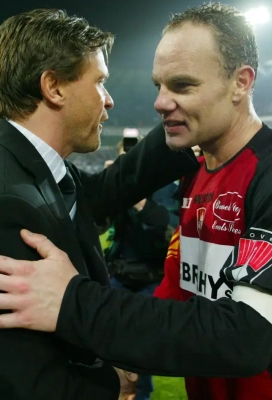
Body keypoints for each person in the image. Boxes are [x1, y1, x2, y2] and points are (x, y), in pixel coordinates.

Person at [0, 3, 272, 400]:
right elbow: (177, 288)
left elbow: (248, 339)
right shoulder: (197, 168)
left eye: (182, 86)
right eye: (158, 85)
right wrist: (122, 358)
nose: (160, 102)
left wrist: (74, 302)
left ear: (240, 83)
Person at [0, 9, 198, 400]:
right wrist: (110, 383)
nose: (109, 100)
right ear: (54, 87)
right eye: (99, 82)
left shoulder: (16, 158)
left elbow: (99, 194)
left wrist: (180, 131)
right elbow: (19, 382)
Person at [102, 137, 180, 400]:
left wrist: (140, 201)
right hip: (118, 277)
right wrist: (106, 187)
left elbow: (174, 231)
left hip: (152, 280)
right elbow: (96, 224)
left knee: (140, 349)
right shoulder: (116, 186)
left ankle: (141, 394)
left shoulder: (168, 189)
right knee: (108, 347)